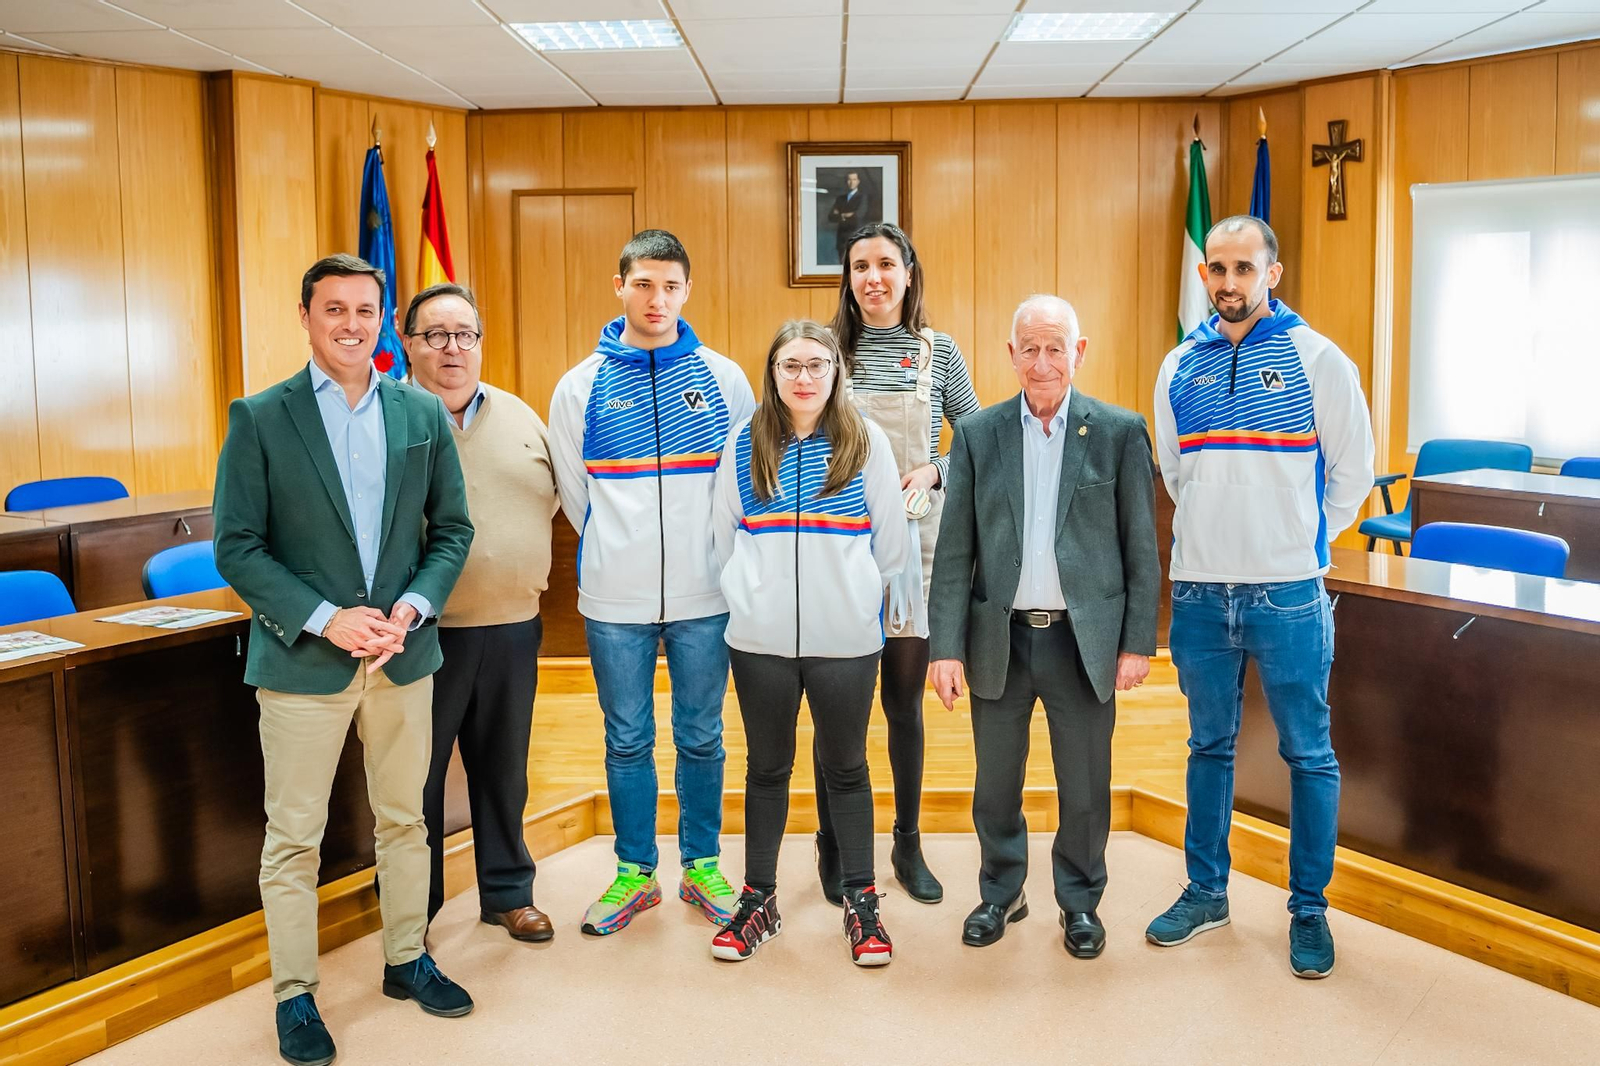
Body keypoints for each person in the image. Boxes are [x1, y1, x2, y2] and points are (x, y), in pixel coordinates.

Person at [214, 254, 475, 1066]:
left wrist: (413, 606)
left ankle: (406, 958)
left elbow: (452, 530)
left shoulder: (420, 412)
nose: (351, 325)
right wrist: (327, 620)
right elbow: (237, 546)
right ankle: (295, 994)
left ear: (383, 321)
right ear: (306, 317)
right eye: (334, 309)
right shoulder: (261, 417)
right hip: (304, 663)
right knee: (295, 837)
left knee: (405, 820)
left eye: (365, 310)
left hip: (402, 655)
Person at [1147, 215, 1374, 979]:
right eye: (1218, 268)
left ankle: (1308, 909)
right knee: (1208, 747)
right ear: (1205, 275)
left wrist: (1294, 538)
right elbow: (1177, 473)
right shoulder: (1178, 363)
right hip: (1200, 594)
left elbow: (1353, 475)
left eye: (1245, 268)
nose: (1229, 282)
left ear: (1272, 274)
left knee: (1307, 752)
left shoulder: (1318, 359)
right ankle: (1206, 892)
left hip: (1288, 595)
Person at [928, 294, 1159, 958]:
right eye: (1029, 348)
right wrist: (945, 647)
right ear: (1011, 354)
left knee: (1083, 786)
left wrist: (1136, 643)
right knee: (995, 785)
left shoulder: (1118, 431)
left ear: (1078, 353)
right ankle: (1001, 891)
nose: (1042, 362)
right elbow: (954, 551)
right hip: (998, 639)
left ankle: (1080, 901)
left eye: (1055, 348)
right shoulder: (978, 435)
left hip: (1082, 642)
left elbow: (1142, 550)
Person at [548, 229, 756, 936]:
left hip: (707, 595)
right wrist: (621, 550)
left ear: (687, 291)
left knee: (702, 735)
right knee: (627, 738)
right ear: (620, 287)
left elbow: (740, 483)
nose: (656, 298)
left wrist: (713, 561)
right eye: (643, 284)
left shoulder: (724, 378)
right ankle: (635, 872)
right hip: (615, 600)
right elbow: (576, 497)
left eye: (670, 286)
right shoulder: (579, 386)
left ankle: (702, 865)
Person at [708, 320, 911, 967]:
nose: (803, 377)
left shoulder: (865, 441)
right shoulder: (743, 441)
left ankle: (862, 904)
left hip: (845, 642)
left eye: (816, 365)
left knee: (846, 767)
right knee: (766, 768)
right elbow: (721, 535)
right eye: (790, 365)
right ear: (772, 373)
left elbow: (891, 545)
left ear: (835, 372)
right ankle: (758, 901)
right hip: (759, 641)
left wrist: (849, 595)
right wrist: (750, 595)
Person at [814, 221, 981, 906]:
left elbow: (977, 441)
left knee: (902, 706)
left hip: (919, 552)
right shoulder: (826, 352)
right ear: (848, 279)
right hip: (842, 549)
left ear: (909, 273)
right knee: (839, 710)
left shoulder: (939, 353)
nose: (873, 277)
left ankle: (907, 843)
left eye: (886, 264)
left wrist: (937, 470)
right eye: (860, 266)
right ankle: (833, 842)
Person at [405, 283, 558, 943]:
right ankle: (412, 912)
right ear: (408, 343)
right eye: (436, 335)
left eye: (464, 334)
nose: (452, 348)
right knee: (416, 781)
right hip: (421, 635)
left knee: (503, 772)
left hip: (513, 629)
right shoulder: (386, 419)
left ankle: (507, 894)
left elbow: (554, 498)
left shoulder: (520, 415)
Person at [827, 171, 876, 263]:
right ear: (846, 181)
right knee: (842, 265)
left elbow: (860, 214)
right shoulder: (840, 199)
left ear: (858, 181)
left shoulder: (863, 197)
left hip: (856, 236)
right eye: (849, 180)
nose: (851, 182)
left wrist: (840, 214)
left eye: (854, 179)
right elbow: (831, 217)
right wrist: (845, 215)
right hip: (841, 238)